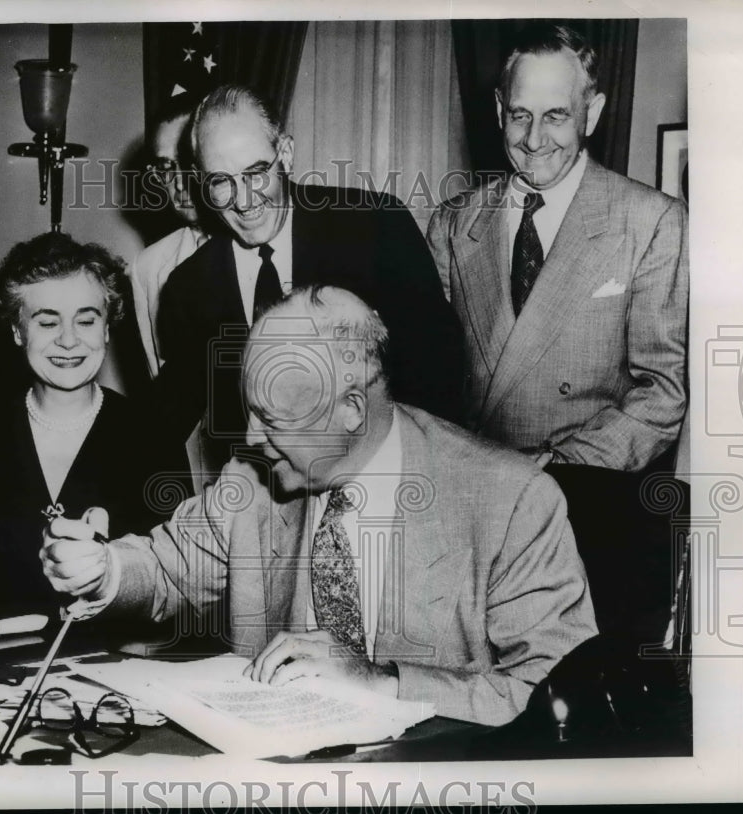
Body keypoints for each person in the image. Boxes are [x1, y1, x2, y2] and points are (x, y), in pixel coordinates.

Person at [41, 285, 597, 726]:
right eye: (249, 411)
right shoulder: (252, 481)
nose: (250, 437)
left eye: (272, 418)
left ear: (351, 409)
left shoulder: (511, 500)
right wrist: (104, 569)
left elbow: (556, 695)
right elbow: (167, 567)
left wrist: (382, 681)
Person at [148, 84, 465, 476]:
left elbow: (441, 378)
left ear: (285, 153)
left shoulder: (376, 228)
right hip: (265, 498)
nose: (243, 201)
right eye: (220, 181)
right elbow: (167, 417)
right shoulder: (189, 288)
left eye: (255, 173)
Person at [427, 23, 688, 472]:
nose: (533, 140)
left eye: (555, 116)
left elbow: (662, 393)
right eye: (520, 114)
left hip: (582, 486)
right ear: (499, 110)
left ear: (592, 113)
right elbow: (431, 378)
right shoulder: (453, 222)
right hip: (474, 480)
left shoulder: (652, 222)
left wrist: (558, 465)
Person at [0, 233, 189, 624]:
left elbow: (179, 585)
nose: (69, 340)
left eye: (86, 320)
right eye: (47, 322)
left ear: (106, 328)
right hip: (1, 659)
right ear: (18, 330)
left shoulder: (155, 437)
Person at [129, 93, 208, 377]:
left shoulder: (267, 247)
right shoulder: (147, 268)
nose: (180, 183)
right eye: (165, 167)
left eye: (190, 160)